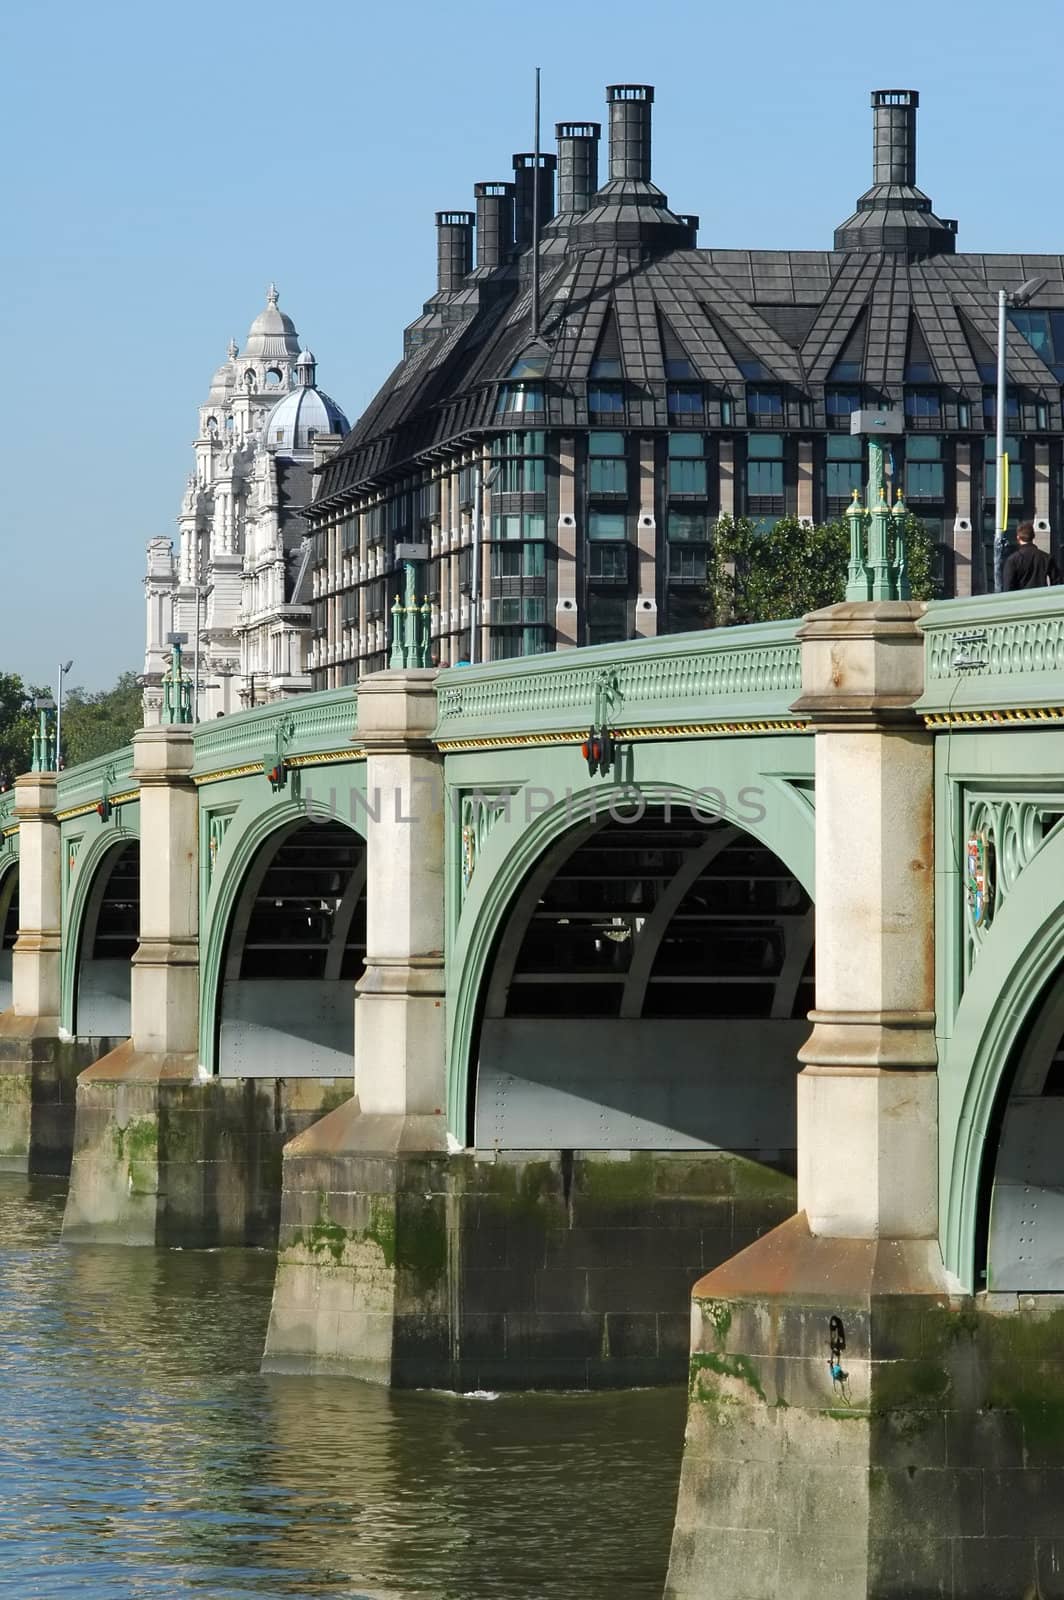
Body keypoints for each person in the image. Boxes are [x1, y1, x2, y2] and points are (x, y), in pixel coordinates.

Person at [1003, 522, 1061, 590]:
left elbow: (1008, 586)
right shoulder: (1046, 557)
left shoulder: (1012, 560)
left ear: (1018, 538)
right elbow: (1057, 582)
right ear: (1033, 536)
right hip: (1041, 598)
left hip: (1020, 599)